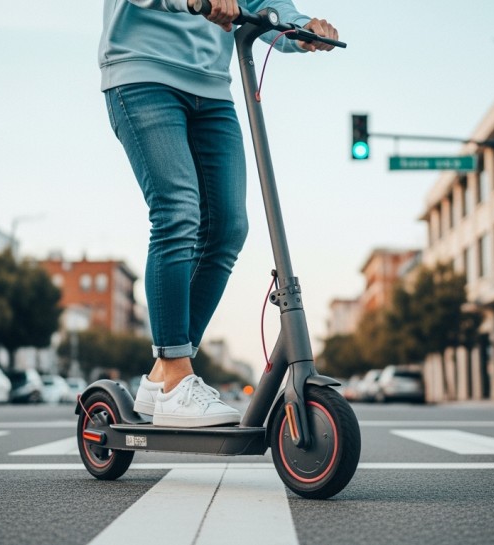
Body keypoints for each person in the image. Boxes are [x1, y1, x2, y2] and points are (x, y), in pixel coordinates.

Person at [100, 0, 338, 427]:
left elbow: (262, 5)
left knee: (228, 228)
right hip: (142, 75)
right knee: (177, 213)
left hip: (212, 89)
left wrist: (300, 28)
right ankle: (175, 373)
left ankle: (161, 376)